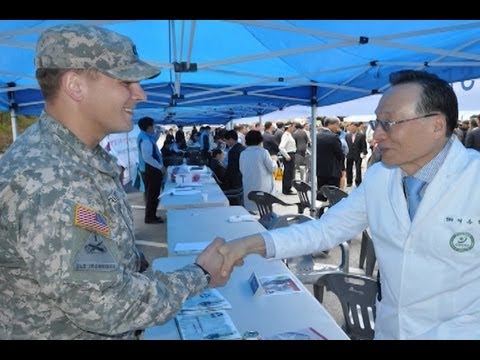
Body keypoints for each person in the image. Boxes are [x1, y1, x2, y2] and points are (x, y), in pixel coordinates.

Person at [0, 24, 231, 339]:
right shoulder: (52, 179)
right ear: (75, 85)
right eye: (126, 81)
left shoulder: (78, 160)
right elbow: (106, 305)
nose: (140, 93)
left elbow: (115, 260)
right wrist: (199, 274)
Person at [217, 69, 480, 340]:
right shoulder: (381, 177)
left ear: (436, 125)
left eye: (388, 123)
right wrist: (249, 244)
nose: (376, 135)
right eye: (376, 122)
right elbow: (325, 230)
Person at [137, 116, 165, 224]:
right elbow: (147, 157)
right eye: (153, 126)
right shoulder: (145, 140)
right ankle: (150, 217)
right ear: (148, 127)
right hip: (150, 170)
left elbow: (154, 139)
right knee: (152, 195)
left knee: (151, 194)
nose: (154, 128)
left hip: (148, 170)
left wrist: (158, 131)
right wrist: (160, 167)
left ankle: (152, 215)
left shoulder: (145, 136)